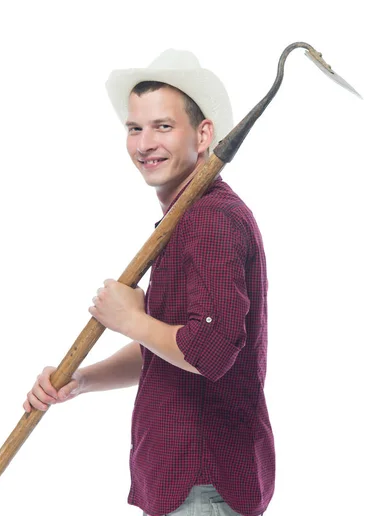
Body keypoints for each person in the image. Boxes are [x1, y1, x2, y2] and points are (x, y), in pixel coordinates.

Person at [24, 49, 275, 516]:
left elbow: (211, 351)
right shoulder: (184, 220)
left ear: (203, 136)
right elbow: (165, 350)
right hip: (181, 484)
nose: (144, 144)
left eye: (163, 126)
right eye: (134, 128)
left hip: (204, 487)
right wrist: (80, 380)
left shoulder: (211, 219)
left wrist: (130, 319)